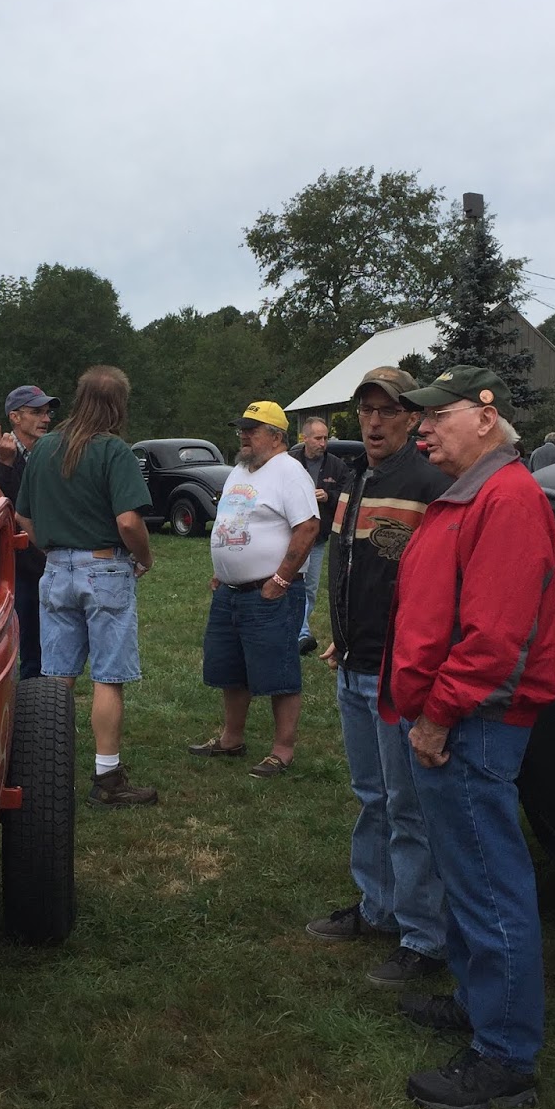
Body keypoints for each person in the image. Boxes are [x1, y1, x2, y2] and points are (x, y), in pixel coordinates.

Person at [386, 365, 555, 1109]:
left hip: (473, 722)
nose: (421, 429)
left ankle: (504, 1055)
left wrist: (438, 716)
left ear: (486, 418)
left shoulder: (507, 497)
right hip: (454, 715)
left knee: (491, 884)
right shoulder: (468, 494)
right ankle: (478, 1000)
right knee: (467, 875)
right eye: (419, 419)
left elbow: (494, 636)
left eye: (436, 416)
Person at [304, 367, 454, 989]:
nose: (372, 421)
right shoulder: (354, 480)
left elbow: (428, 590)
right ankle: (378, 908)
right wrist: (346, 634)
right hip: (354, 667)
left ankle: (424, 937)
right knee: (372, 797)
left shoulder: (430, 484)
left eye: (387, 411)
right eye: (365, 410)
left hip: (399, 676)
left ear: (413, 417)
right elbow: (354, 572)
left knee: (409, 808)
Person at [15, 367, 158, 809]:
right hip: (105, 569)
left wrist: (57, 552)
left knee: (56, 678)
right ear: (118, 404)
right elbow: (128, 521)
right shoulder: (113, 450)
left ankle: (44, 772)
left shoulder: (43, 449)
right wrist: (144, 557)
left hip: (55, 569)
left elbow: (23, 518)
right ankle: (108, 776)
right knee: (109, 676)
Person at [189, 401, 318, 778]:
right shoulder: (239, 472)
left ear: (277, 436)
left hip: (270, 591)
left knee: (279, 670)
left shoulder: (289, 472)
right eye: (241, 428)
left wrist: (280, 580)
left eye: (252, 429)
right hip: (230, 590)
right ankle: (232, 738)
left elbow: (308, 527)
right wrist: (222, 568)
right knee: (230, 668)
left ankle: (283, 750)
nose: (243, 435)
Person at [0, 384, 59, 680]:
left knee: (47, 638)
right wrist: (4, 463)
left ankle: (43, 699)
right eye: (37, 412)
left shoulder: (49, 452)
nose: (46, 418)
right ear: (15, 417)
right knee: (25, 638)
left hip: (47, 559)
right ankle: (29, 706)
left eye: (47, 412)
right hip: (18, 565)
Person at [289, 416, 350, 655]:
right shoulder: (290, 462)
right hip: (291, 534)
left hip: (318, 537)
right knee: (290, 581)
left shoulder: (336, 465)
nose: (323, 443)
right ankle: (300, 632)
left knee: (310, 587)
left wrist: (329, 496)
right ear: (305, 438)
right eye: (318, 438)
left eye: (325, 438)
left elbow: (347, 494)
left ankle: (300, 630)